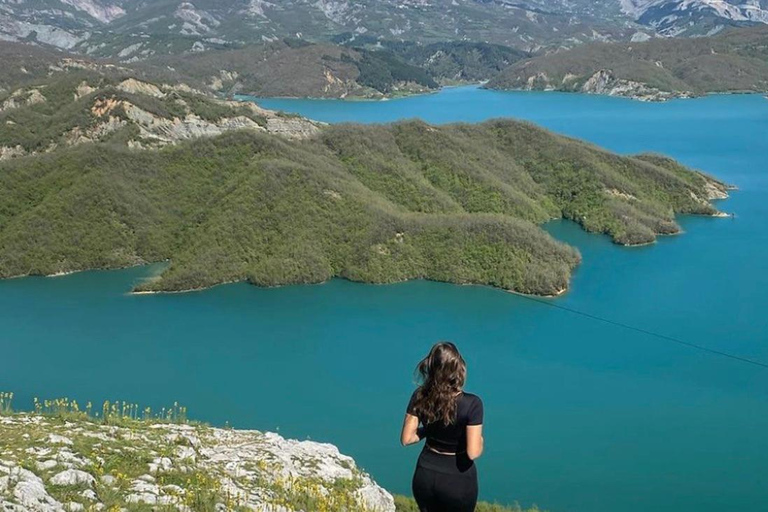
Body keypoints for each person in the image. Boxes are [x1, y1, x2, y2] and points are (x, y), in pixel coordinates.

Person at [401, 341, 484, 512]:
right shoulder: (472, 404)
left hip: (425, 475)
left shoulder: (419, 395)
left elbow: (407, 438)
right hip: (457, 480)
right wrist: (481, 441)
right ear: (459, 368)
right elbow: (473, 452)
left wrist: (429, 430)